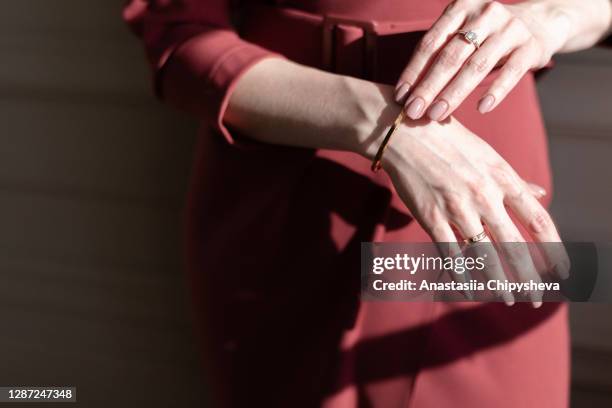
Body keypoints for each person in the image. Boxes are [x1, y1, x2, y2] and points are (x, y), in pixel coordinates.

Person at [123, 0, 612, 406]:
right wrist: (387, 131)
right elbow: (179, 36)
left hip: (486, 199)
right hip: (291, 192)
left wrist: (555, 16)